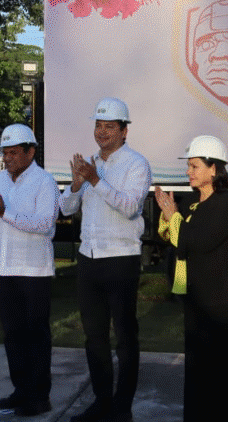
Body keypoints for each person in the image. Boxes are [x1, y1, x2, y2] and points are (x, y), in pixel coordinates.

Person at [59, 97, 151, 422]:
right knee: (94, 337)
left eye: (109, 126)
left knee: (125, 337)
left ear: (124, 131)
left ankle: (121, 408)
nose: (101, 132)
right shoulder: (88, 165)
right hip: (90, 259)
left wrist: (96, 179)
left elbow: (129, 207)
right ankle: (101, 402)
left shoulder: (136, 164)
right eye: (98, 125)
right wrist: (76, 183)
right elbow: (66, 209)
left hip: (121, 260)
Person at [0, 123, 58, 417]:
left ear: (31, 151)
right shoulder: (2, 179)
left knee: (36, 335)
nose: (9, 159)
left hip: (34, 271)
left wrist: (6, 213)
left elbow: (45, 225)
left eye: (15, 152)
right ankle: (21, 391)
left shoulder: (45, 182)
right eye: (6, 153)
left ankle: (39, 397)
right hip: (5, 268)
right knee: (13, 335)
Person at [155, 136, 228, 422]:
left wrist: (173, 217)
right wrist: (169, 218)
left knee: (218, 373)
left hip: (219, 303)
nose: (189, 172)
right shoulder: (191, 200)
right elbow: (172, 238)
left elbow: (197, 241)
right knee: (196, 369)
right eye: (189, 166)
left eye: (194, 166)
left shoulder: (225, 203)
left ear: (213, 169)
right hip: (196, 298)